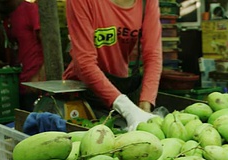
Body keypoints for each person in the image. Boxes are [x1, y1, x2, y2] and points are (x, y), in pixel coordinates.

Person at [63, 0, 162, 130]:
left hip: (120, 90)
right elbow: (84, 62)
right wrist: (127, 108)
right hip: (82, 94)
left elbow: (153, 55)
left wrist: (145, 105)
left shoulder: (146, 2)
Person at [7, 0, 45, 111]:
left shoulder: (30, 9)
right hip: (18, 82)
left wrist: (41, 72)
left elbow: (47, 41)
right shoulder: (9, 16)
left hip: (34, 82)